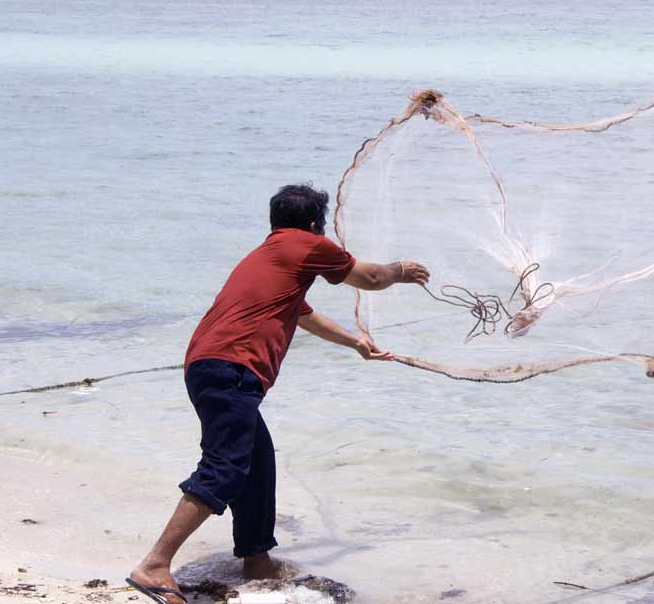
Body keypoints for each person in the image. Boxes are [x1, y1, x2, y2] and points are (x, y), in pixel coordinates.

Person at [126, 183, 428, 604]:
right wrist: (400, 270)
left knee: (256, 462)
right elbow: (372, 277)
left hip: (209, 366)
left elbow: (303, 316)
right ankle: (155, 565)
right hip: (231, 368)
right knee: (225, 468)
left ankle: (257, 558)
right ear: (312, 225)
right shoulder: (307, 244)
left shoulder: (270, 256)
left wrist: (356, 343)